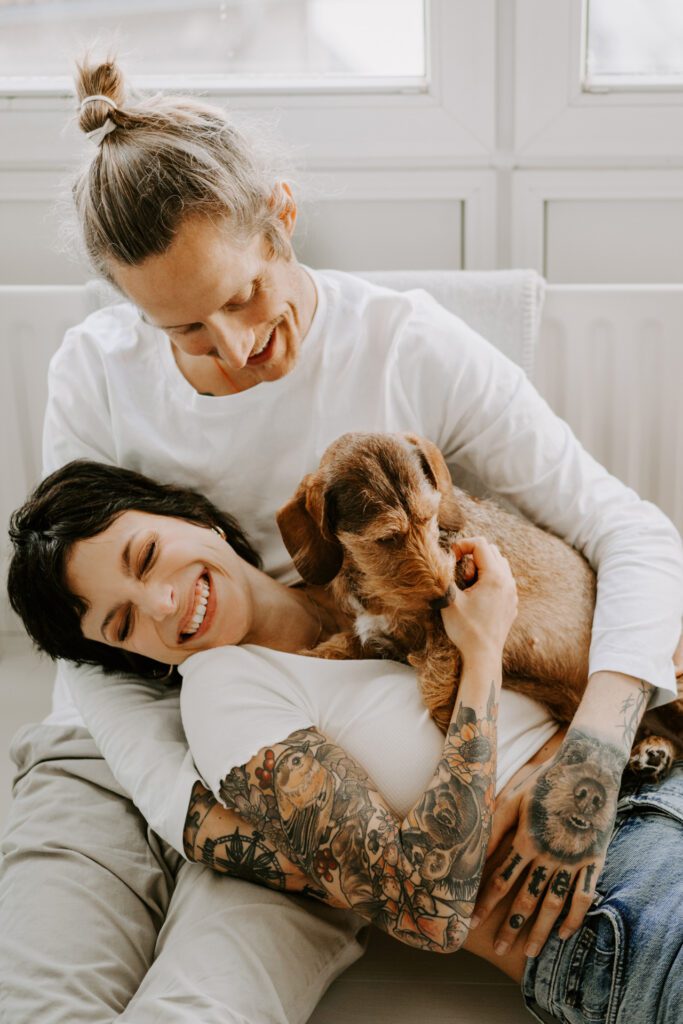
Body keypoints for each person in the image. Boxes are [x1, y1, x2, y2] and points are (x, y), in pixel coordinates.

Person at [0, 52, 681, 1022]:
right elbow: (95, 634)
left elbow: (626, 527)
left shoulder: (408, 344)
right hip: (143, 744)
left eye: (240, 296)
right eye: (185, 330)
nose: (233, 349)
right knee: (39, 989)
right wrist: (196, 819)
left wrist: (592, 749)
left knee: (212, 995)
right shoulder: (94, 373)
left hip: (347, 739)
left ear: (281, 214)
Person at [7, 458, 683, 1024]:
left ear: (193, 516)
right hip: (614, 883)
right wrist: (477, 654)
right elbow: (426, 913)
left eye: (147, 557)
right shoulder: (224, 691)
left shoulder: (366, 566)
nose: (161, 605)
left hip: (654, 762)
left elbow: (623, 555)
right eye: (123, 623)